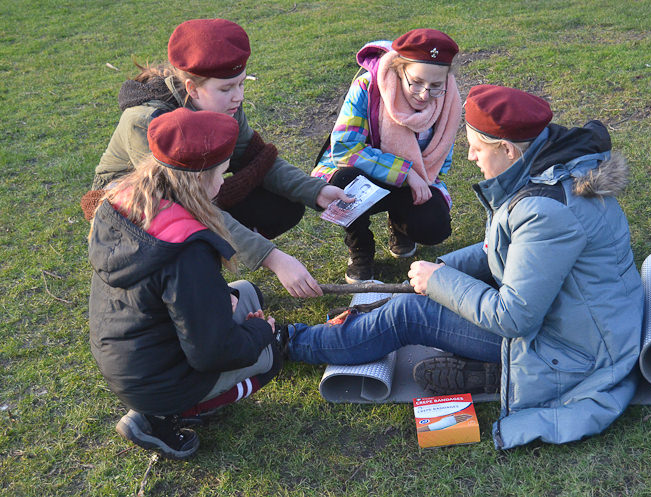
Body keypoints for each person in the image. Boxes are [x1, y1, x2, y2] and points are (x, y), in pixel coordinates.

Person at [286, 85, 644, 450]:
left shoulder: (546, 211)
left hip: (570, 351)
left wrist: (440, 281)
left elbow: (513, 318)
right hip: (575, 327)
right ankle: (493, 371)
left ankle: (291, 342)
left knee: (408, 313)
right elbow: (503, 250)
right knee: (417, 297)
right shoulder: (550, 174)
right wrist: (438, 270)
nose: (471, 156)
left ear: (507, 149)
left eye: (476, 146)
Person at [82, 18, 351, 298]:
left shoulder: (226, 106)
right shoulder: (147, 123)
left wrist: (317, 191)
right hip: (133, 212)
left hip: (192, 194)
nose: (238, 97)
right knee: (187, 225)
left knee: (283, 204)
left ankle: (206, 265)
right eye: (227, 89)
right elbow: (185, 205)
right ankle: (187, 281)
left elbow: (254, 158)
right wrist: (274, 259)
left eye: (241, 84)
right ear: (192, 88)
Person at [88, 108, 286, 459]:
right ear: (197, 179)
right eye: (221, 174)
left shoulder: (124, 201)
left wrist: (219, 299)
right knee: (269, 358)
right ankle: (164, 416)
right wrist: (261, 334)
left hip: (126, 354)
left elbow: (159, 294)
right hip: (156, 380)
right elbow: (211, 352)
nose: (224, 183)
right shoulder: (187, 251)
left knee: (247, 293)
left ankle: (159, 403)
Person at [311, 29, 462, 283]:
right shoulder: (368, 87)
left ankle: (401, 224)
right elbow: (345, 148)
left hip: (414, 179)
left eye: (436, 86)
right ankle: (360, 246)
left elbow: (441, 162)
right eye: (416, 82)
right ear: (399, 69)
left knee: (434, 225)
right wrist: (405, 174)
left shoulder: (448, 101)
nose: (425, 95)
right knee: (343, 182)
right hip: (365, 175)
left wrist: (416, 179)